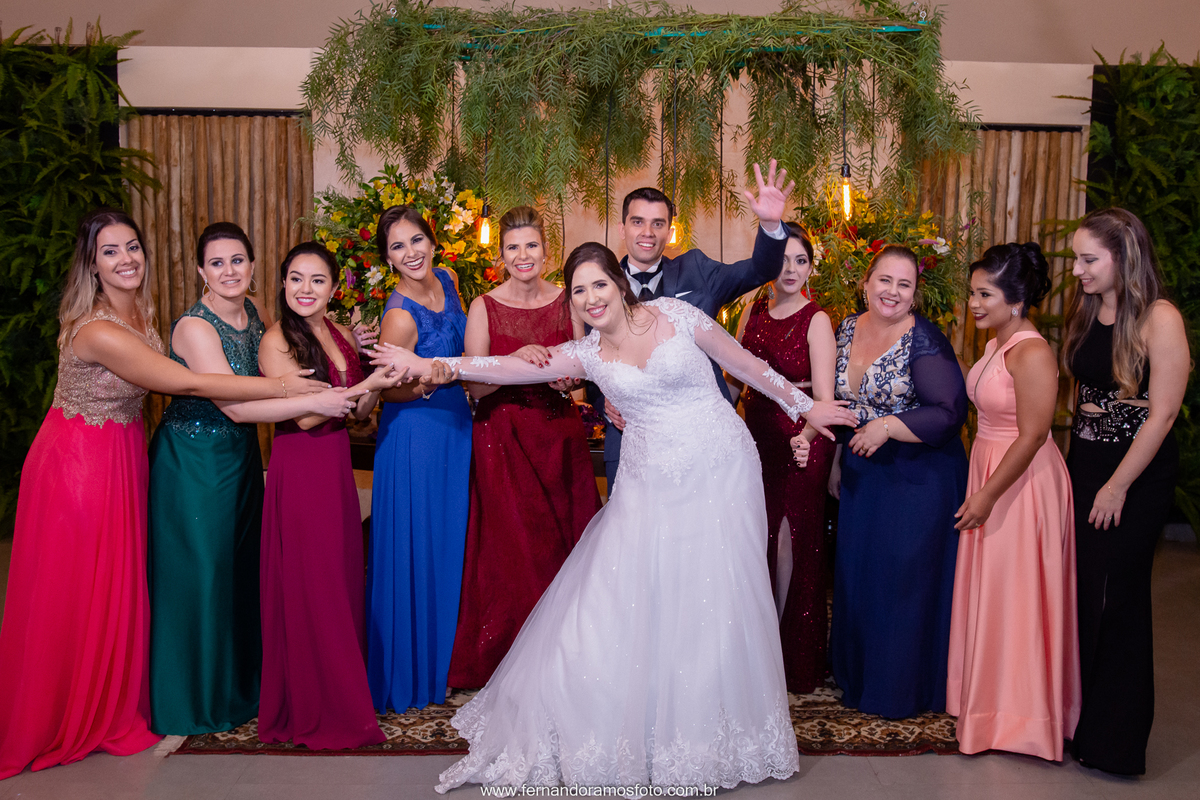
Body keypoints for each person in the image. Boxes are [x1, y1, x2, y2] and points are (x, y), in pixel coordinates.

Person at [373, 242, 859, 791]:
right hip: (649, 482)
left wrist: (807, 405)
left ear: (619, 284)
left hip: (722, 469)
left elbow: (746, 366)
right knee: (620, 595)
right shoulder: (586, 354)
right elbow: (508, 368)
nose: (591, 298)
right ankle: (631, 721)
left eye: (598, 284)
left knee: (715, 594)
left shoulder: (676, 314)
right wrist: (435, 366)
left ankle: (710, 732)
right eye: (579, 291)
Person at [0, 210, 330, 779]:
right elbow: (191, 383)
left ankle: (120, 693)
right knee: (79, 589)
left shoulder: (143, 311)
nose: (126, 258)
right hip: (79, 463)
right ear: (91, 264)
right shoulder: (99, 329)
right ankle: (65, 710)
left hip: (126, 453)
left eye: (132, 246)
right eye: (110, 251)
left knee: (124, 584)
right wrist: (286, 388)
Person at [146, 223, 362, 736]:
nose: (229, 271)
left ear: (253, 265)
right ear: (201, 271)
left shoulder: (255, 312)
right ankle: (194, 701)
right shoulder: (195, 328)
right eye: (217, 263)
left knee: (240, 573)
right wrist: (308, 396)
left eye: (238, 260)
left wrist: (345, 352)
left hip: (240, 457)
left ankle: (241, 688)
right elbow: (237, 407)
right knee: (202, 577)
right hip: (195, 460)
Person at [256, 242, 407, 750]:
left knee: (339, 579)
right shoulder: (277, 340)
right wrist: (369, 383)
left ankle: (343, 690)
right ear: (283, 283)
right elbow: (303, 416)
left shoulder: (339, 332)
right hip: (300, 468)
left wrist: (377, 383)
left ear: (334, 287)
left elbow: (358, 412)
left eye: (317, 280)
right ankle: (320, 704)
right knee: (313, 583)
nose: (306, 289)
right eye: (296, 278)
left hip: (336, 464)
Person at [446, 206, 601, 689]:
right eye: (512, 247)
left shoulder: (567, 301)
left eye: (531, 245)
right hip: (503, 437)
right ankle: (516, 661)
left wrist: (568, 380)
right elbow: (475, 386)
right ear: (501, 255)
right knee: (514, 547)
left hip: (558, 436)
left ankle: (568, 659)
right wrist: (511, 361)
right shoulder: (484, 306)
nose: (523, 255)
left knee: (566, 544)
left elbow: (583, 372)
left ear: (546, 250)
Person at [1064, 208, 1189, 775]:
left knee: (1120, 598)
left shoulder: (1161, 317)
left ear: (1124, 256)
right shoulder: (1089, 308)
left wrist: (1117, 486)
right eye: (1076, 259)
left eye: (1089, 259)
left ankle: (1116, 743)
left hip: (1135, 477)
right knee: (1086, 593)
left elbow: (1162, 415)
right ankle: (1083, 725)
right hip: (1087, 467)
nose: (1078, 270)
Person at [945, 242, 1081, 760]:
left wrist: (986, 495)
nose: (974, 303)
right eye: (972, 293)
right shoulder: (993, 344)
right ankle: (987, 705)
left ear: (1017, 299)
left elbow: (1034, 434)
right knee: (994, 592)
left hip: (1021, 482)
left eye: (985, 294)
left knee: (1017, 595)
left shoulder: (1032, 352)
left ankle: (1021, 717)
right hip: (990, 467)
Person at [826, 245, 968, 719]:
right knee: (859, 576)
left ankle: (899, 690)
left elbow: (949, 412)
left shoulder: (924, 340)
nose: (892, 291)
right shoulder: (847, 327)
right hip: (864, 473)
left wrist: (887, 426)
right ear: (866, 283)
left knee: (899, 583)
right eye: (884, 280)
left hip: (917, 476)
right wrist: (836, 461)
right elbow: (841, 406)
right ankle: (860, 678)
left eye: (904, 284)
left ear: (914, 294)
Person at [599, 160, 793, 488]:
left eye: (658, 223)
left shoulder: (697, 271)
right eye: (638, 222)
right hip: (630, 441)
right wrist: (605, 398)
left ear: (669, 231)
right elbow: (589, 359)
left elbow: (759, 271)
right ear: (622, 229)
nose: (648, 232)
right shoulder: (599, 287)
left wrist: (771, 225)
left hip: (699, 441)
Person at [367, 205, 473, 712]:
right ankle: (416, 670)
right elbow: (385, 390)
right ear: (387, 258)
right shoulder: (398, 316)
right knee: (420, 546)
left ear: (432, 242)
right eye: (397, 246)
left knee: (449, 543)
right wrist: (430, 381)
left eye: (416, 240)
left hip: (456, 428)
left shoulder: (449, 279)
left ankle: (447, 661)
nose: (410, 253)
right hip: (416, 435)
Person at [732, 223, 837, 694]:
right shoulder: (751, 311)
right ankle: (756, 649)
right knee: (758, 537)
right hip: (756, 438)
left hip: (801, 440)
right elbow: (735, 381)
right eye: (783, 260)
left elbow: (825, 400)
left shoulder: (817, 319)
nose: (791, 269)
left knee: (790, 543)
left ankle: (785, 654)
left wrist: (807, 436)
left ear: (811, 268)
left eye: (801, 260)